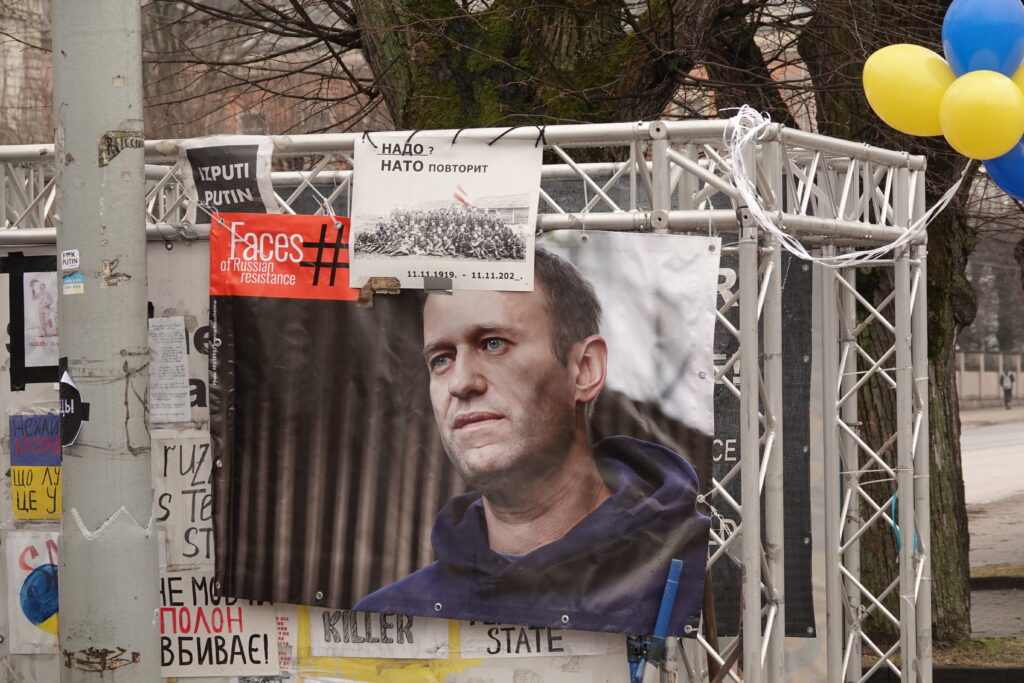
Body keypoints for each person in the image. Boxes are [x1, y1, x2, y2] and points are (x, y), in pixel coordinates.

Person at [354, 250, 710, 635]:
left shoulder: (705, 574)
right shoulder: (385, 616)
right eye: (441, 359)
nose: (460, 383)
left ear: (585, 369)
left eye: (493, 344)